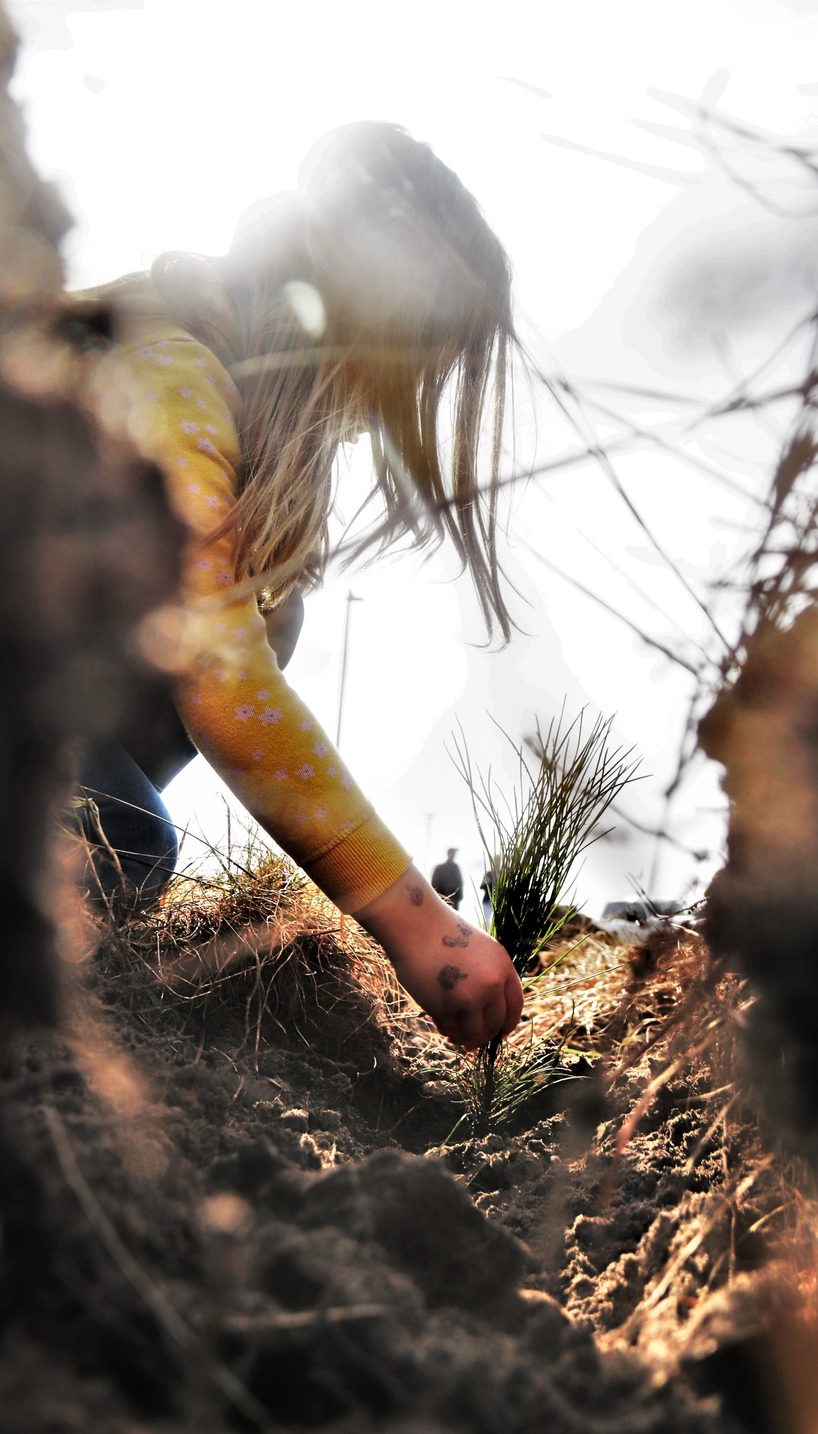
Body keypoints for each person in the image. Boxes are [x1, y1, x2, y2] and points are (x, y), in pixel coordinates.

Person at [72, 121, 524, 1051]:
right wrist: (421, 926)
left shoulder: (239, 435)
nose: (384, 413)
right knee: (116, 835)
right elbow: (216, 669)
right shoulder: (168, 369)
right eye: (403, 368)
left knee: (267, 620)